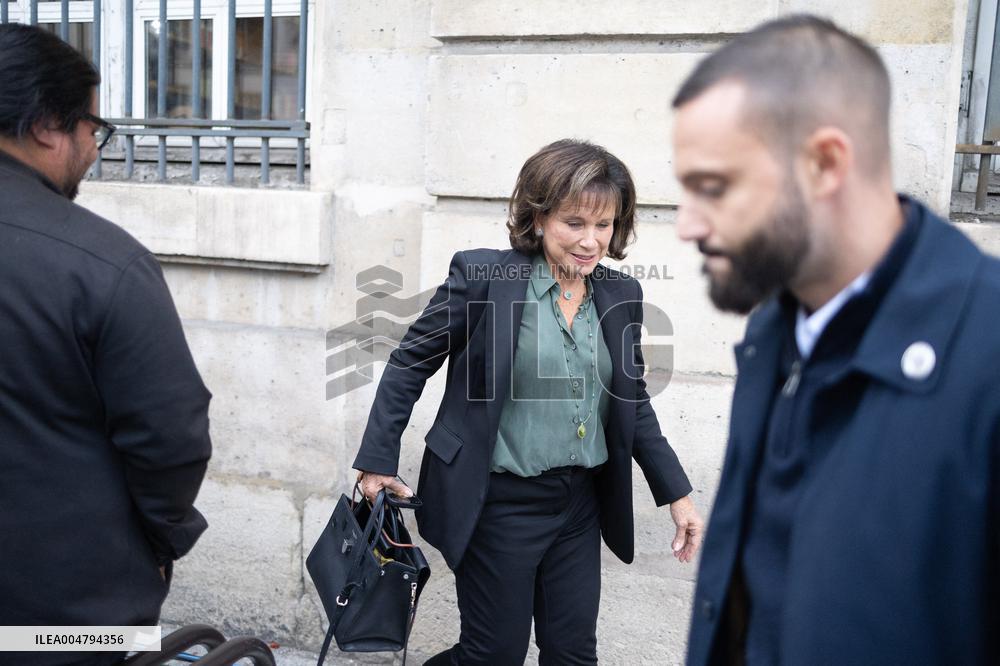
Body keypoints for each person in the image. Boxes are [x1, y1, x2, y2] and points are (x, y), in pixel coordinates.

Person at [671, 14, 1000, 666]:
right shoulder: (774, 331)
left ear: (825, 164)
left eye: (712, 187)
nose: (686, 225)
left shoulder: (987, 355)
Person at [353, 138, 703, 665]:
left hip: (578, 505)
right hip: (498, 502)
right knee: (493, 655)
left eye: (603, 225)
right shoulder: (483, 278)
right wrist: (377, 459)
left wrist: (677, 494)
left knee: (572, 654)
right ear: (538, 217)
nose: (591, 241)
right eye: (574, 223)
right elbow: (409, 362)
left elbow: (631, 401)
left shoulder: (620, 296)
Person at [0, 24, 212, 666]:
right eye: (94, 127)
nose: (94, 148)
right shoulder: (103, 261)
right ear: (46, 125)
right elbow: (171, 437)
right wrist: (157, 543)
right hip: (69, 618)